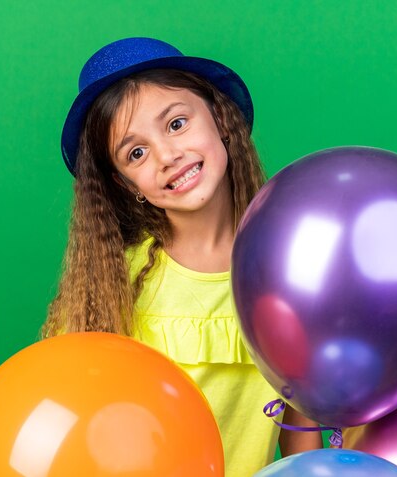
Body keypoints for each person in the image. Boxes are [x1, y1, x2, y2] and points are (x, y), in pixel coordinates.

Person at [42, 37, 321, 476]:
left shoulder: (287, 273)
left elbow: (301, 439)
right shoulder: (114, 288)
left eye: (176, 124)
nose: (168, 156)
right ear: (125, 184)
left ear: (220, 118)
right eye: (136, 153)